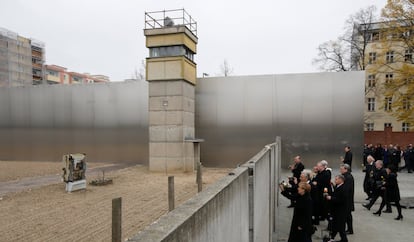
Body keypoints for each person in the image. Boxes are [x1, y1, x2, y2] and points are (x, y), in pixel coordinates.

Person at [325, 175, 348, 242]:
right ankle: (332, 238)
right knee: (335, 225)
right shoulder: (338, 186)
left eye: (336, 179)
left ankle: (344, 239)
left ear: (341, 180)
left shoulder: (344, 188)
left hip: (340, 211)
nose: (335, 180)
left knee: (340, 226)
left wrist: (331, 198)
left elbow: (341, 200)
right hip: (336, 210)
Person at [312, 160, 332, 224]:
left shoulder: (326, 173)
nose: (317, 167)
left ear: (322, 167)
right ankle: (321, 217)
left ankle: (329, 220)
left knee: (324, 206)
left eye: (318, 166)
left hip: (323, 192)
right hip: (319, 192)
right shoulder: (319, 173)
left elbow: (323, 183)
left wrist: (316, 183)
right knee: (320, 206)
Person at [340, 164, 354, 235]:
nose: (340, 170)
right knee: (348, 215)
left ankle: (350, 229)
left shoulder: (348, 177)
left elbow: (347, 189)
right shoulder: (347, 176)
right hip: (347, 199)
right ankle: (349, 229)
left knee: (347, 215)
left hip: (347, 200)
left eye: (341, 169)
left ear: (346, 169)